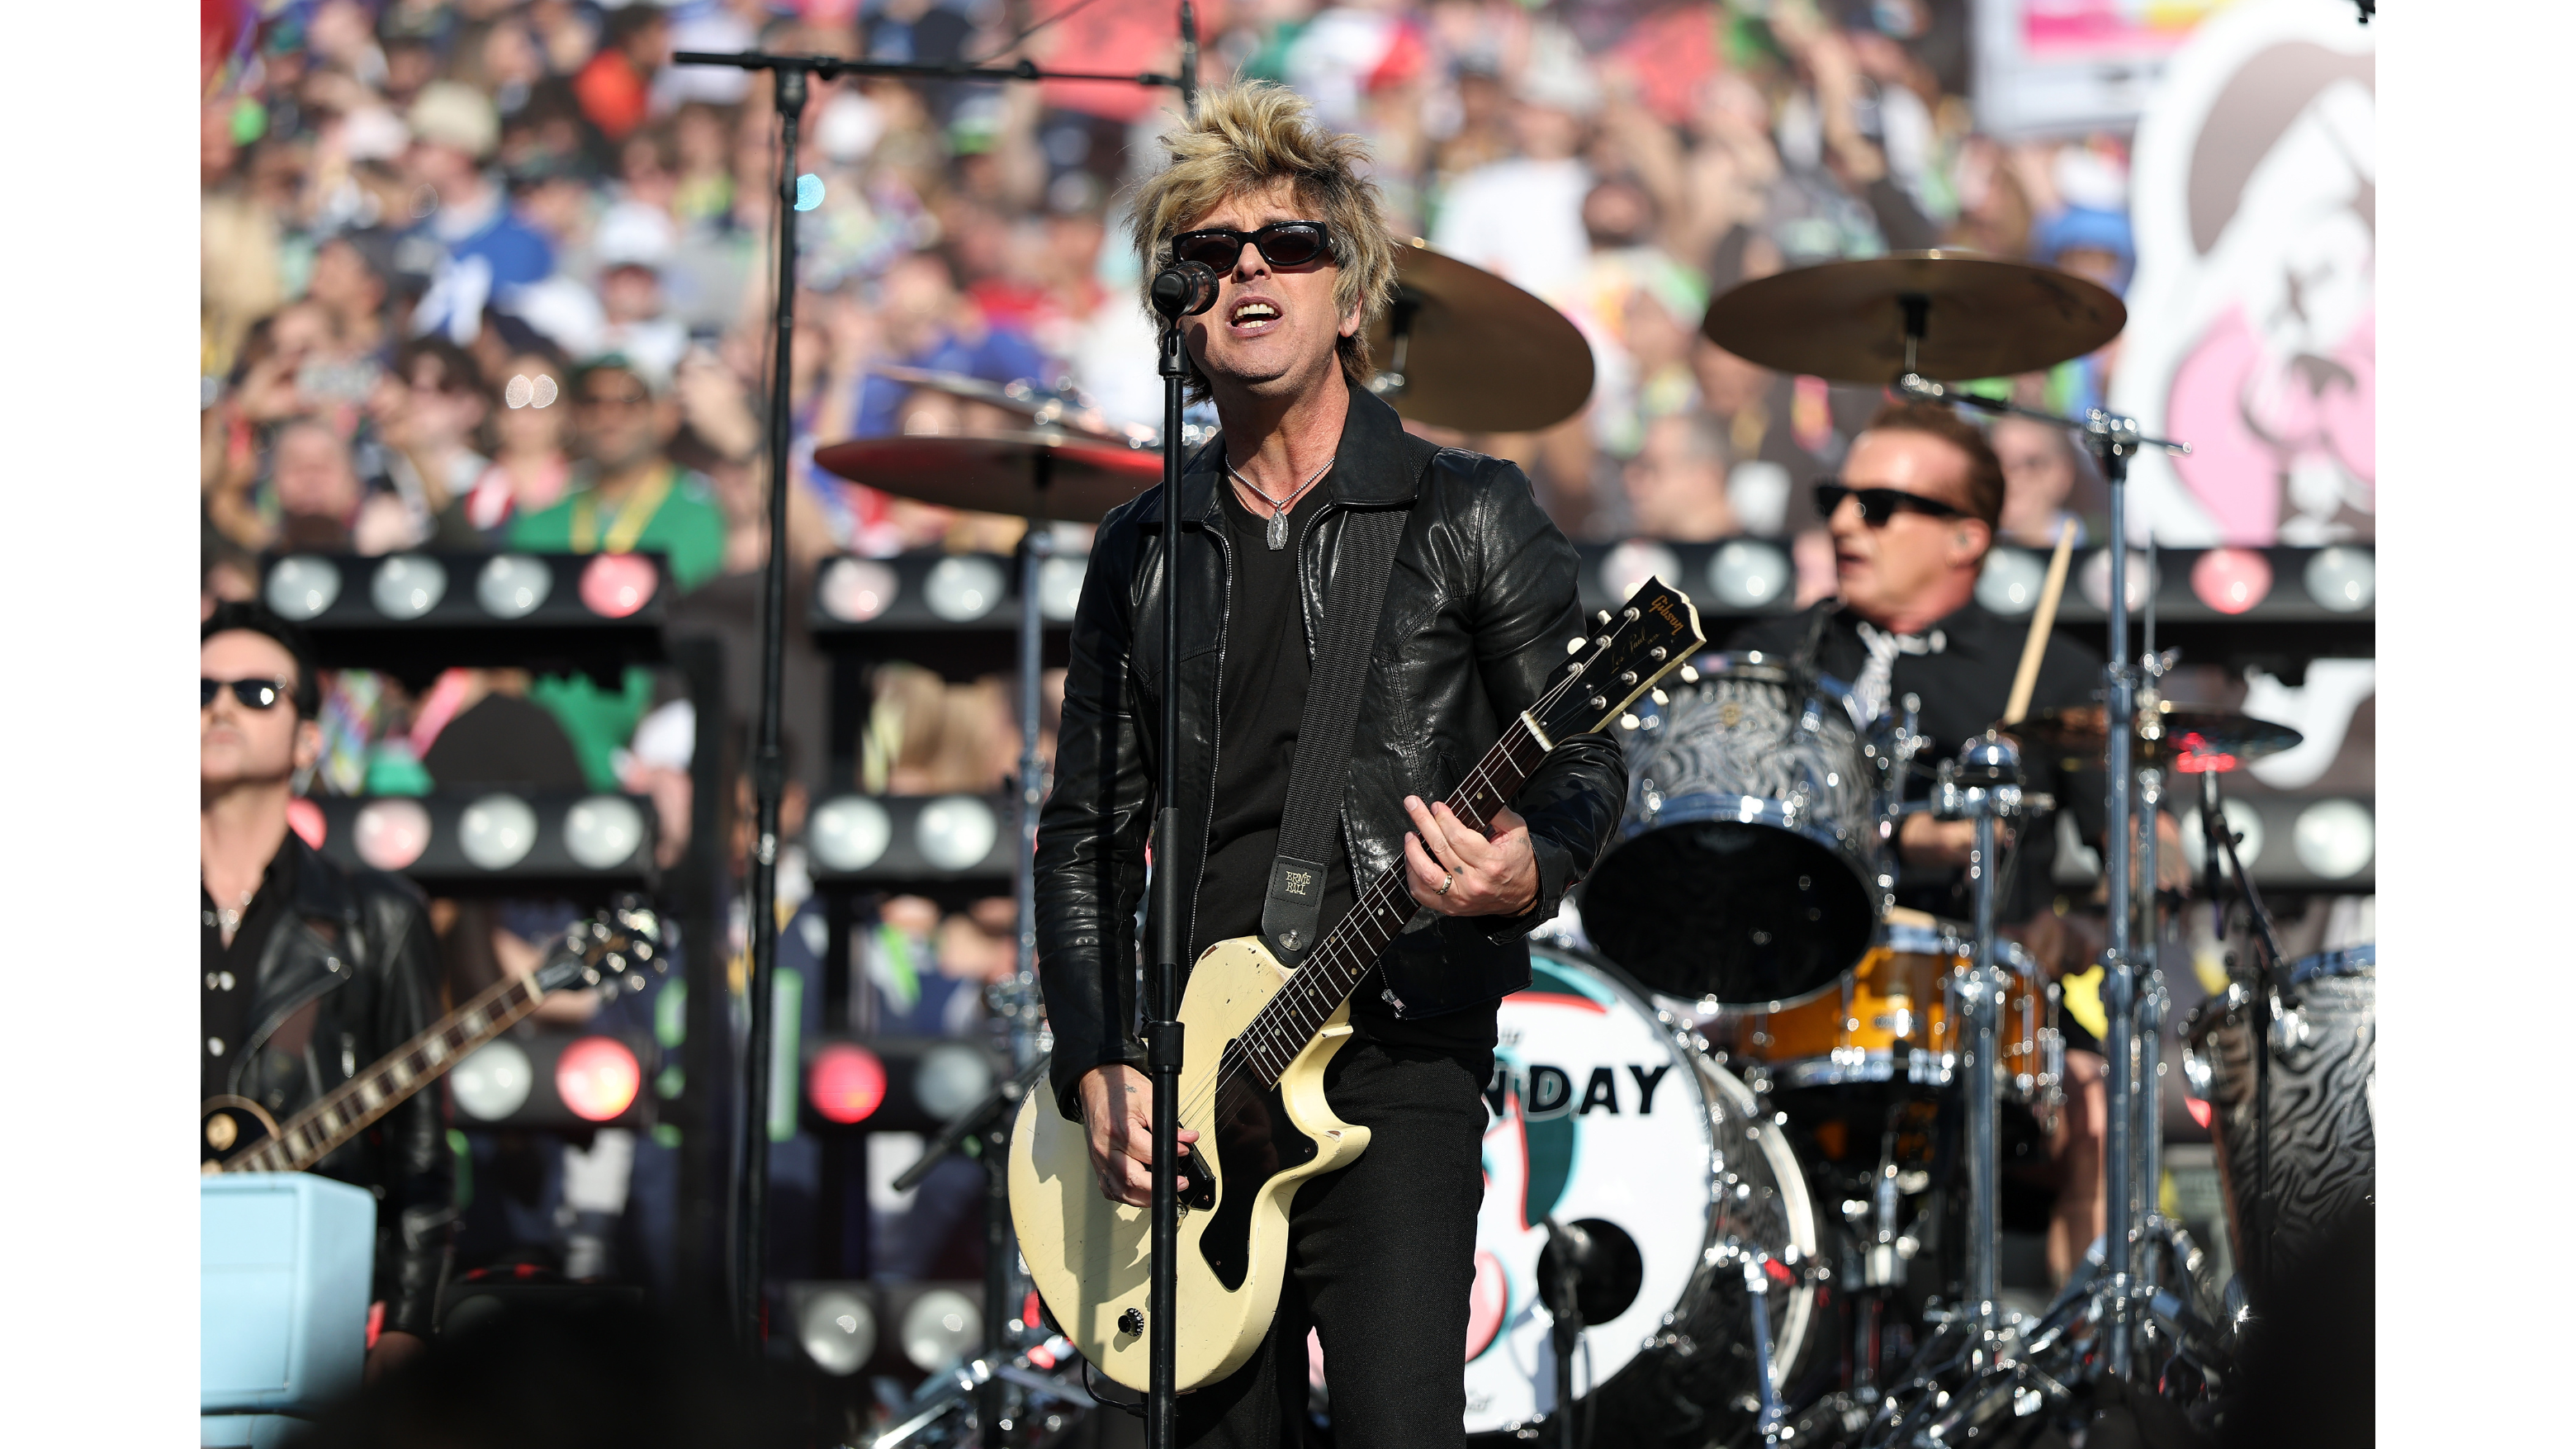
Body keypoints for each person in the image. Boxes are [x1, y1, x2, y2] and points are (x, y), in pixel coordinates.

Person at [1034, 83, 1626, 1447]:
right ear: (1176, 310)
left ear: (1349, 297)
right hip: (1186, 1085)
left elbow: (1589, 758)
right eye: (1206, 254)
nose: (1245, 268)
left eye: (1286, 245)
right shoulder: (1143, 545)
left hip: (1397, 1051)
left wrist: (1526, 867)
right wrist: (1092, 1064)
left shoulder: (1469, 514)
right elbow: (1079, 837)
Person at [1728, 400, 2183, 1286]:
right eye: (1837, 495)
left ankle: (2085, 1386)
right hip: (1787, 1001)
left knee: (2098, 1107)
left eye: (1881, 504)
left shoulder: (2053, 675)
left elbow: (2155, 859)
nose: (1846, 520)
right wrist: (1892, 835)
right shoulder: (1775, 657)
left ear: (1967, 537)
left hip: (1987, 1012)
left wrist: (2077, 928)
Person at [201, 603, 452, 1380]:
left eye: (257, 693)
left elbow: (422, 1152)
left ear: (310, 739)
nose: (219, 706)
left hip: (300, 1321)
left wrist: (408, 1327)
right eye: (197, 690)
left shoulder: (376, 917)